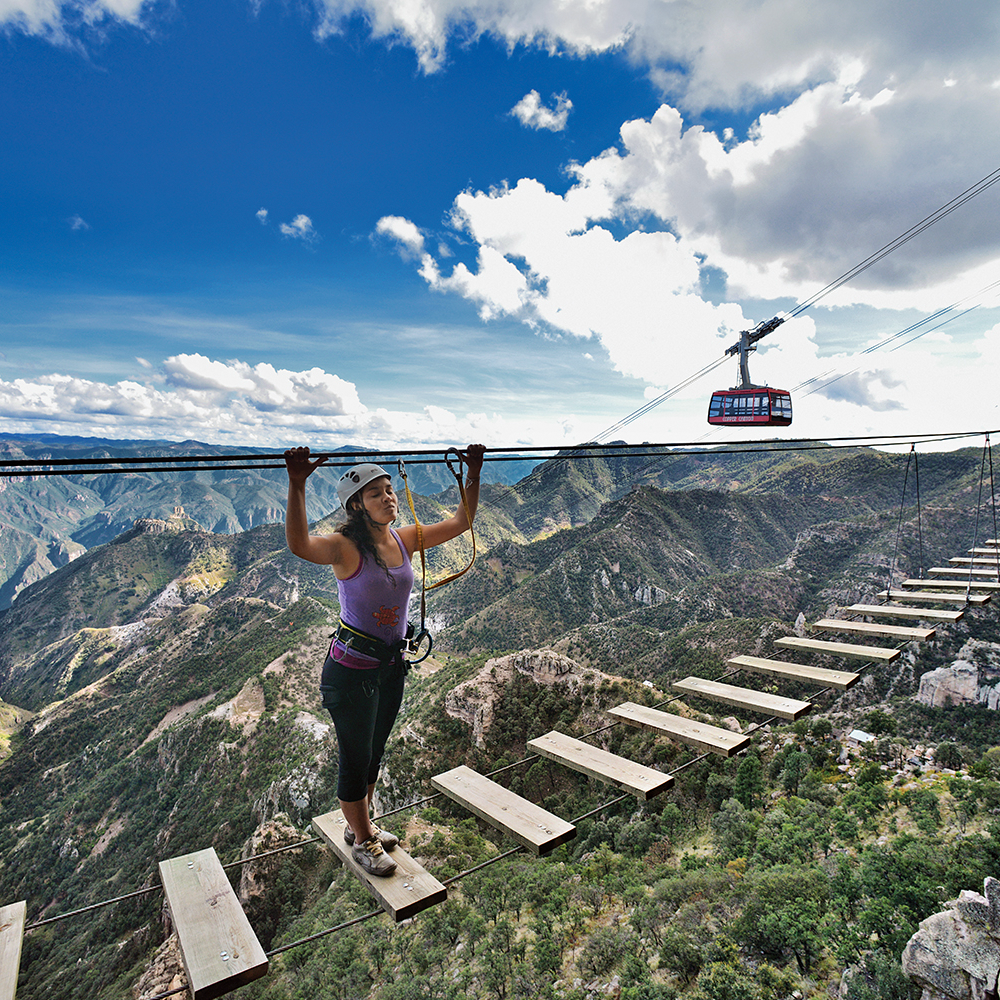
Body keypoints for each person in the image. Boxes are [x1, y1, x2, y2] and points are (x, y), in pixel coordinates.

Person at [284, 444, 484, 876]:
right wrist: (297, 483)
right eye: (376, 494)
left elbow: (462, 521)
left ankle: (363, 828)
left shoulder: (403, 538)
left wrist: (473, 471)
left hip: (390, 666)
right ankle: (362, 840)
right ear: (357, 506)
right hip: (352, 671)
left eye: (389, 489)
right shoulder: (343, 547)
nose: (388, 497)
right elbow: (299, 544)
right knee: (355, 757)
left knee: (374, 753)